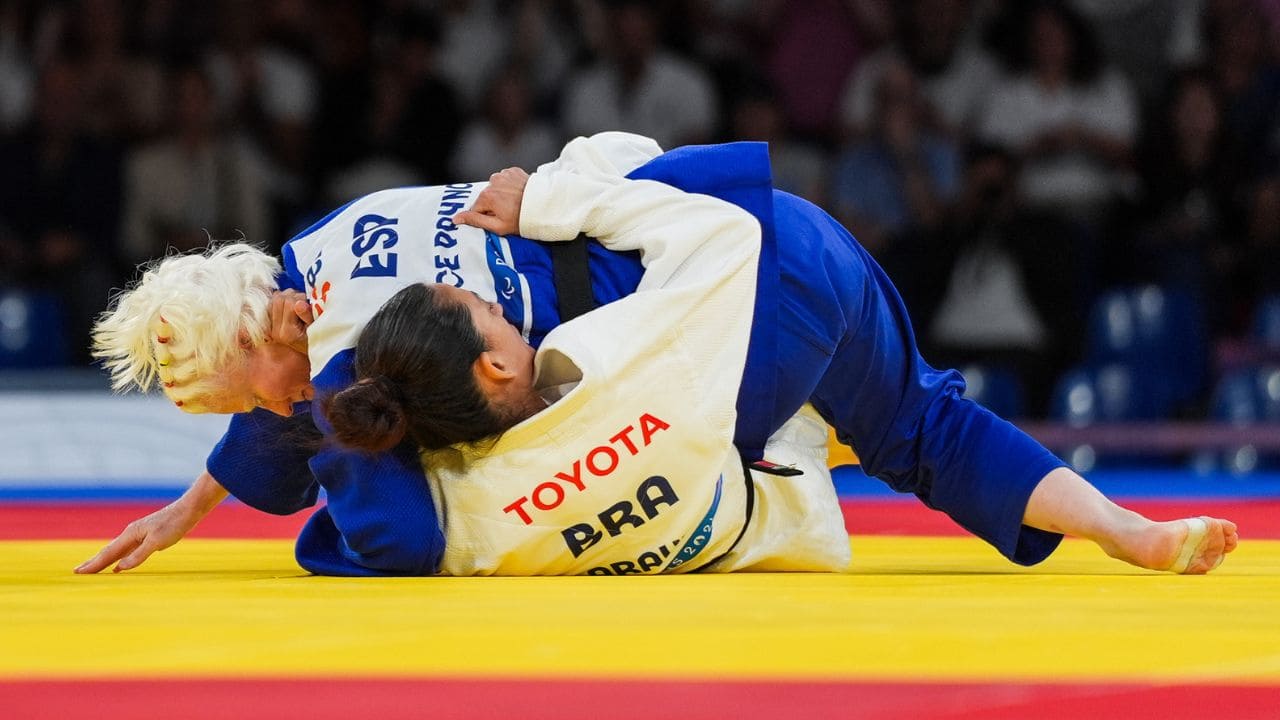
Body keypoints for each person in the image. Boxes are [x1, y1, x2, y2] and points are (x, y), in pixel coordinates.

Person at [82, 133, 1237, 577]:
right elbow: (274, 403)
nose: (271, 412)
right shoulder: (337, 230)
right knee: (922, 427)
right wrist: (193, 505)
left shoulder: (340, 366)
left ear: (273, 335)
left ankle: (782, 459)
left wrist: (290, 527)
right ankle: (1123, 529)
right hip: (786, 232)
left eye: (249, 394)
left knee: (587, 472)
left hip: (726, 337)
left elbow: (389, 526)